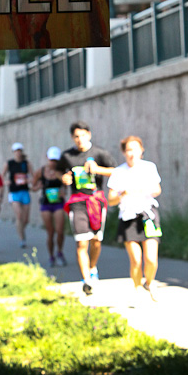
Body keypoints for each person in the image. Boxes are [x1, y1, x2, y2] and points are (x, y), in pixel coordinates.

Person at [60, 120, 116, 296]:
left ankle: (92, 267)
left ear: (89, 135)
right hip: (77, 202)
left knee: (96, 241)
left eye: (83, 135)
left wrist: (97, 169)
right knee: (81, 242)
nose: (80, 139)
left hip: (96, 201)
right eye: (76, 136)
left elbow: (115, 171)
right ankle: (86, 280)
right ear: (72, 138)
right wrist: (64, 178)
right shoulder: (67, 156)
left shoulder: (100, 153)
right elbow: (60, 173)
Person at [107, 135, 162, 302]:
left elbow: (157, 189)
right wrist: (123, 193)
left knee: (151, 258)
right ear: (124, 152)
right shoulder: (118, 172)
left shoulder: (149, 167)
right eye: (128, 150)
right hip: (128, 217)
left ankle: (149, 282)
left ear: (141, 151)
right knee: (136, 260)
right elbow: (110, 199)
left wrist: (146, 189)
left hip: (147, 215)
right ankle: (137, 288)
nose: (132, 153)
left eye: (135, 149)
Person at [31, 146, 67, 267]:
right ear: (47, 158)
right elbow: (33, 186)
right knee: (50, 232)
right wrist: (39, 187)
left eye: (55, 161)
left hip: (59, 203)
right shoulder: (40, 172)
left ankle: (60, 252)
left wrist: (63, 190)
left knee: (60, 231)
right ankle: (51, 256)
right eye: (51, 160)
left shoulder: (62, 172)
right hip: (46, 204)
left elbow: (66, 186)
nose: (53, 163)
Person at [3, 143, 30, 247]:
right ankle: (22, 239)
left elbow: (32, 176)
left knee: (26, 219)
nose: (18, 153)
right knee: (19, 215)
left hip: (25, 191)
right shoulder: (9, 163)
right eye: (16, 151)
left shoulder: (26, 163)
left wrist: (30, 180)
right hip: (14, 192)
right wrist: (6, 181)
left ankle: (20, 230)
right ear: (13, 152)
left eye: (20, 150)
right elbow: (2, 175)